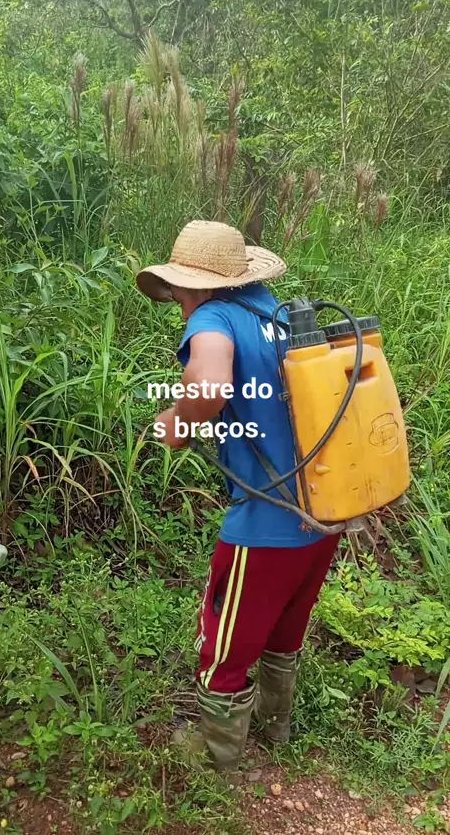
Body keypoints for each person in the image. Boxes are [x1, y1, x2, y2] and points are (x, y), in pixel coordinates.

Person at [136, 220, 340, 772]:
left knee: (224, 641)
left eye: (177, 292)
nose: (177, 303)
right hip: (323, 513)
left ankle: (216, 755)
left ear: (191, 287)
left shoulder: (213, 316)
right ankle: (276, 726)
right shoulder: (275, 311)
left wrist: (178, 422)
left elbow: (208, 387)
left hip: (265, 523)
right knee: (284, 627)